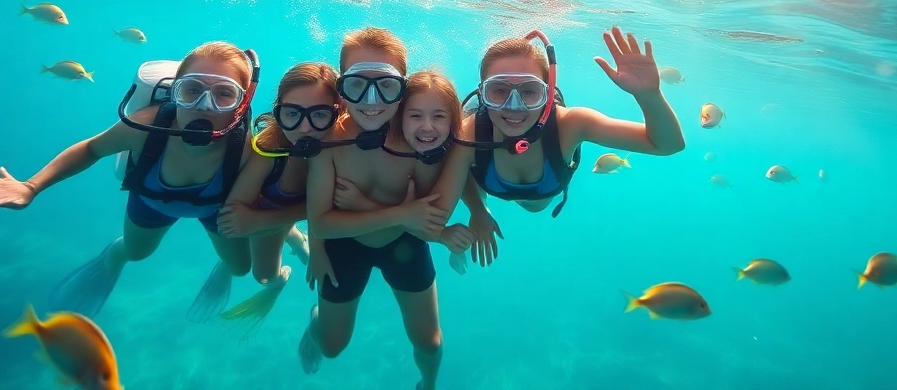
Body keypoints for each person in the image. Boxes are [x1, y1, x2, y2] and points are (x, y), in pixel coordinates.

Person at [0, 41, 269, 319]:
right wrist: (31, 186)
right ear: (175, 91)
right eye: (191, 90)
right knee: (136, 253)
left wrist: (287, 233)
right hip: (151, 202)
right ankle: (114, 255)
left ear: (242, 104)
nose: (204, 104)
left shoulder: (247, 149)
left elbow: (270, 196)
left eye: (224, 94)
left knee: (241, 268)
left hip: (215, 210)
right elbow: (91, 149)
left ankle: (225, 267)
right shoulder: (146, 126)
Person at [434, 26, 686, 267]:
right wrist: (477, 211)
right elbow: (439, 213)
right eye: (498, 91)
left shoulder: (571, 124)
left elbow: (668, 145)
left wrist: (649, 95)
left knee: (534, 207)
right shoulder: (468, 133)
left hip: (539, 199)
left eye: (530, 91)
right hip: (491, 181)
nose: (514, 105)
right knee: (462, 155)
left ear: (548, 93)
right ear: (482, 94)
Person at [298, 29, 457, 390]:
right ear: (341, 88)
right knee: (332, 347)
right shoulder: (329, 142)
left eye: (386, 86)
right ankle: (316, 319)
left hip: (403, 247)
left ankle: (428, 385)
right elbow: (320, 221)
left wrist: (363, 210)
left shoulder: (423, 136)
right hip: (345, 249)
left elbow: (428, 217)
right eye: (357, 85)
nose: (372, 100)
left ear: (404, 88)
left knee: (429, 343)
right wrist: (400, 214)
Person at [212, 61, 341, 328]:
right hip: (269, 210)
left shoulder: (347, 149)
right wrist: (270, 220)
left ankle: (292, 235)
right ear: (278, 112)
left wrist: (264, 221)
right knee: (264, 277)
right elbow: (235, 215)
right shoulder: (270, 150)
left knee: (335, 272)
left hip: (272, 217)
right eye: (292, 114)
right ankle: (285, 268)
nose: (305, 128)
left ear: (339, 112)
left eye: (319, 114)